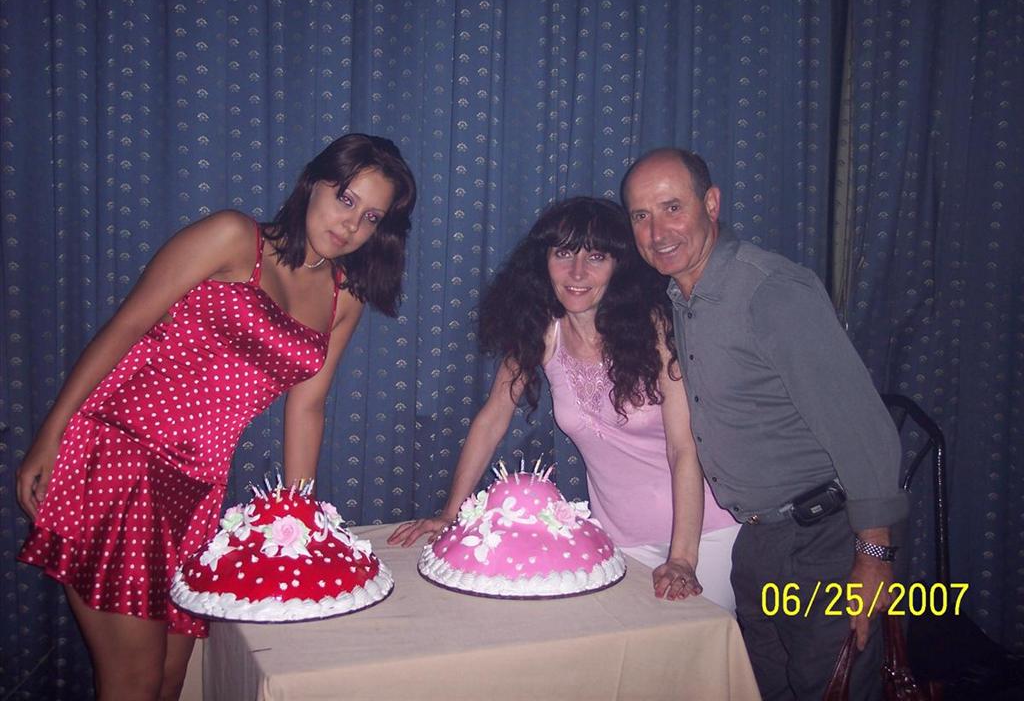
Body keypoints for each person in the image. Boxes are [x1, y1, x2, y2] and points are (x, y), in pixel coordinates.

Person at [16, 134, 416, 701]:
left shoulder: (342, 295)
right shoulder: (233, 237)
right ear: (313, 183)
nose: (351, 224)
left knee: (171, 680)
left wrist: (296, 520)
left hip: (199, 488)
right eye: (345, 199)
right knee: (132, 682)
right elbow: (127, 325)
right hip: (124, 458)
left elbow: (307, 405)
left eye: (371, 216)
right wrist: (50, 435)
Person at [621, 147, 908, 700]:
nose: (657, 232)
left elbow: (863, 428)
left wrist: (874, 555)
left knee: (831, 688)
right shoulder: (682, 297)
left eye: (673, 207)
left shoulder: (770, 290)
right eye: (641, 215)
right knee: (766, 687)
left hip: (829, 539)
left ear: (711, 204)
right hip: (760, 539)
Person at [388, 197, 738, 609]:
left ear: (620, 266)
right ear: (544, 261)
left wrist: (682, 559)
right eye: (564, 253)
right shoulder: (544, 332)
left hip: (705, 534)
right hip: (620, 538)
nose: (577, 272)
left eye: (596, 257)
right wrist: (451, 512)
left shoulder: (657, 329)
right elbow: (492, 418)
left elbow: (683, 447)